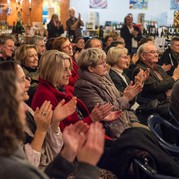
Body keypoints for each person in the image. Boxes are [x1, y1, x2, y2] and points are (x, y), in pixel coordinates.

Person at [0, 66, 106, 179]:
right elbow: (32, 168)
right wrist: (87, 168)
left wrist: (67, 151)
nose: (70, 73)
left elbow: (48, 158)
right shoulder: (44, 95)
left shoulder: (29, 107)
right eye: (22, 80)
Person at [31, 50, 119, 132]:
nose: (69, 73)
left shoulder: (64, 88)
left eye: (69, 68)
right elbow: (61, 134)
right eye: (65, 69)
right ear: (51, 71)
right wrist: (92, 118)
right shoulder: (44, 96)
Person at [74, 48, 148, 139]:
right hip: (113, 131)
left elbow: (120, 100)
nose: (106, 65)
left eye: (105, 62)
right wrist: (125, 98)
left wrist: (130, 93)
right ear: (91, 68)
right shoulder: (84, 86)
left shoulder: (104, 76)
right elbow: (106, 112)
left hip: (126, 122)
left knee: (152, 136)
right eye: (102, 63)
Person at [133, 43, 179, 120]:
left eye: (157, 52)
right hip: (155, 104)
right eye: (152, 52)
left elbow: (166, 82)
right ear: (143, 56)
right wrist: (174, 78)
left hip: (167, 100)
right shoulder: (140, 70)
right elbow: (155, 87)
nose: (156, 55)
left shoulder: (158, 67)